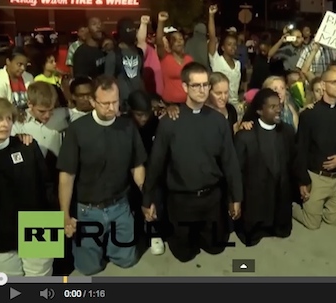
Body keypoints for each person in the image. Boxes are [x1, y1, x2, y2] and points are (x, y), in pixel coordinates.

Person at [142, 62, 242, 262]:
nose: (202, 90)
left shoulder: (218, 121)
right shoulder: (170, 122)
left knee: (215, 249)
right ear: (185, 87)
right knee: (184, 255)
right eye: (196, 85)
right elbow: (156, 164)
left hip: (211, 199)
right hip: (181, 201)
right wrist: (148, 199)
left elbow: (230, 162)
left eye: (205, 85)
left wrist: (235, 197)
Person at [57, 75, 147, 275]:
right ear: (92, 101)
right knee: (89, 269)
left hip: (120, 206)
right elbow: (67, 176)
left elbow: (137, 166)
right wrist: (64, 215)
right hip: (88, 210)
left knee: (127, 261)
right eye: (105, 103)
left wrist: (147, 197)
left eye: (115, 102)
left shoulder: (128, 126)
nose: (111, 108)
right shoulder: (78, 130)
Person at [0, 97, 55, 276]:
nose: (5, 124)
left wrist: (55, 220)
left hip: (40, 223)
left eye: (9, 119)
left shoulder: (27, 145)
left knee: (42, 280)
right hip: (0, 234)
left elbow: (47, 185)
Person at [293, 70, 336, 229]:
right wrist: (303, 181)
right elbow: (301, 150)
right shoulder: (309, 115)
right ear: (323, 85)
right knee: (312, 224)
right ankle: (292, 207)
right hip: (317, 177)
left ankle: (319, 207)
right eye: (334, 82)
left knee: (333, 220)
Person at [234, 88, 296, 246]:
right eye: (272, 107)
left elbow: (294, 161)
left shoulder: (287, 131)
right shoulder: (245, 136)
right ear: (260, 110)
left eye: (279, 106)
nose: (278, 110)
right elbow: (237, 172)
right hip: (255, 198)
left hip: (280, 194)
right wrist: (235, 199)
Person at [125, 90, 165, 255]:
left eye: (146, 114)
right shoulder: (123, 124)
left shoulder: (155, 121)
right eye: (139, 114)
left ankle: (154, 232)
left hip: (151, 169)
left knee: (153, 200)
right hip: (128, 170)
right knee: (134, 203)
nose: (143, 118)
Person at [104, 17, 144, 110]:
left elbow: (141, 78)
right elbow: (108, 83)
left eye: (134, 29)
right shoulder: (113, 55)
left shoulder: (139, 52)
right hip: (122, 106)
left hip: (138, 103)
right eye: (129, 29)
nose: (133, 32)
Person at [156, 11, 193, 106]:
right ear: (170, 44)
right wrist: (161, 22)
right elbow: (159, 41)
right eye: (175, 40)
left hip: (188, 103)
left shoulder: (189, 59)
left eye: (181, 39)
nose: (179, 42)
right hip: (169, 104)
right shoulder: (165, 57)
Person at [208, 5, 241, 109]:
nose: (233, 47)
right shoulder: (216, 60)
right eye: (229, 44)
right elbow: (212, 38)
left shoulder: (238, 64)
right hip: (218, 105)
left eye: (235, 44)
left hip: (234, 106)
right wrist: (211, 16)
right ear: (222, 47)